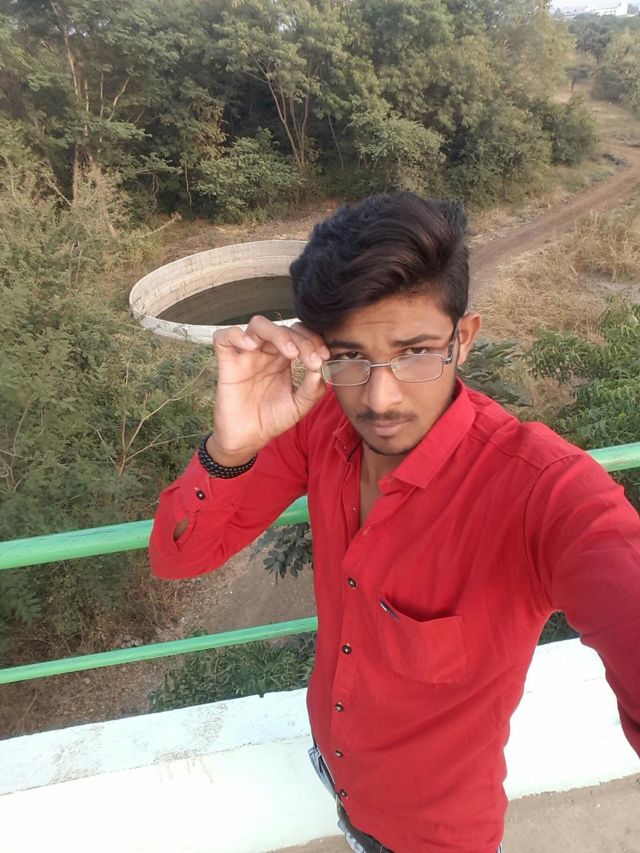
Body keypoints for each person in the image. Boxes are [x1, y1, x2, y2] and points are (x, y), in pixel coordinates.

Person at [149, 193, 640, 853]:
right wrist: (230, 449)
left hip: (432, 836)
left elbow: (612, 566)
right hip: (333, 767)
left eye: (416, 352)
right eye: (350, 356)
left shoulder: (538, 492)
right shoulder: (322, 422)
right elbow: (179, 557)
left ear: (464, 339)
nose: (380, 399)